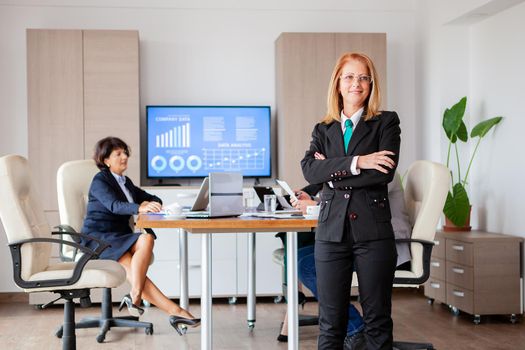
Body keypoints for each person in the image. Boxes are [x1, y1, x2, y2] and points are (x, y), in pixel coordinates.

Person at [301, 52, 401, 350]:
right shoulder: (323, 128)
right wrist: (360, 161)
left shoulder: (386, 123)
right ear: (338, 83)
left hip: (373, 233)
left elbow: (383, 174)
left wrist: (331, 173)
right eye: (349, 77)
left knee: (377, 320)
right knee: (331, 323)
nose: (356, 83)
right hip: (331, 233)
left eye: (363, 77)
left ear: (371, 84)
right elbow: (309, 169)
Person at [277, 173, 411, 350]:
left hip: (381, 246)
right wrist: (312, 199)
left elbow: (353, 206)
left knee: (308, 266)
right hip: (352, 241)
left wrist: (316, 205)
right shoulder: (351, 172)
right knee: (300, 257)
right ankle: (352, 326)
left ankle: (355, 328)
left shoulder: (381, 173)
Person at [81, 136, 200, 335]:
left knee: (147, 238)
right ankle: (177, 312)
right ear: (106, 160)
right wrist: (140, 207)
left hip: (119, 236)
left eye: (125, 152)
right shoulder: (100, 180)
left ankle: (135, 295)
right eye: (118, 154)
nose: (124, 156)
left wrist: (149, 203)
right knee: (134, 270)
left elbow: (153, 197)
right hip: (99, 238)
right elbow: (114, 206)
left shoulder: (125, 182)